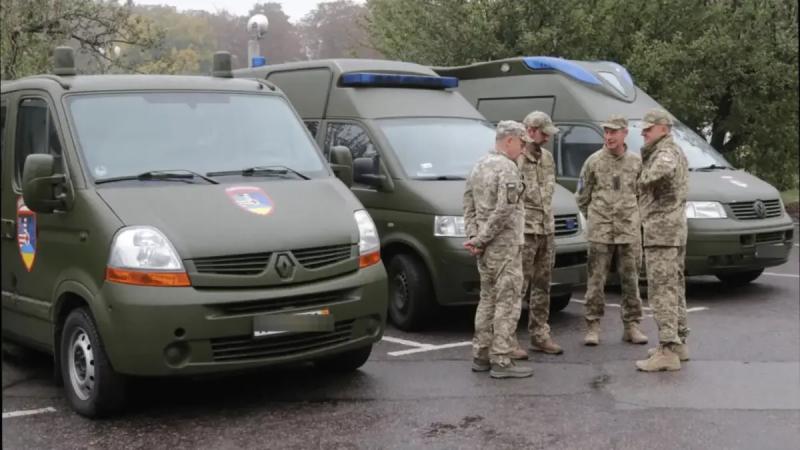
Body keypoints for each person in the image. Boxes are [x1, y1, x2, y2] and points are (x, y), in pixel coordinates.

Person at [463, 120, 532, 379]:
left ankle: (481, 355)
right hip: (504, 246)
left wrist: (474, 236)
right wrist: (481, 238)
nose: (523, 149)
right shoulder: (508, 168)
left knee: (487, 300)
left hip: (485, 248)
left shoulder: (479, 165)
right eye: (522, 143)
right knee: (507, 301)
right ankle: (501, 359)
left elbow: (468, 203)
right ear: (510, 140)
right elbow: (505, 210)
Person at [575, 115, 648, 346]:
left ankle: (632, 325)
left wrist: (636, 218)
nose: (609, 136)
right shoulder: (593, 162)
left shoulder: (636, 162)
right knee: (596, 280)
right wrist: (596, 218)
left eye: (614, 132)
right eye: (606, 132)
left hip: (628, 230)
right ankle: (593, 326)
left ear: (625, 133)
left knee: (631, 280)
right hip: (600, 231)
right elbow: (582, 197)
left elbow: (644, 196)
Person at [635, 109, 690, 372]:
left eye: (649, 128)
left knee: (662, 291)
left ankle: (667, 350)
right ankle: (677, 342)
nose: (644, 132)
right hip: (671, 230)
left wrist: (641, 175)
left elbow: (655, 175)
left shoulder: (665, 153)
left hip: (662, 231)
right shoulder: (670, 150)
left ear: (664, 129)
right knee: (674, 287)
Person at [513, 111, 563, 357]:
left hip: (546, 229)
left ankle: (539, 334)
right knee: (517, 286)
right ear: (530, 131)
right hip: (524, 231)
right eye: (543, 133)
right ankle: (507, 338)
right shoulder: (515, 159)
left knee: (542, 286)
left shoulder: (547, 158)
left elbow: (549, 192)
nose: (546, 138)